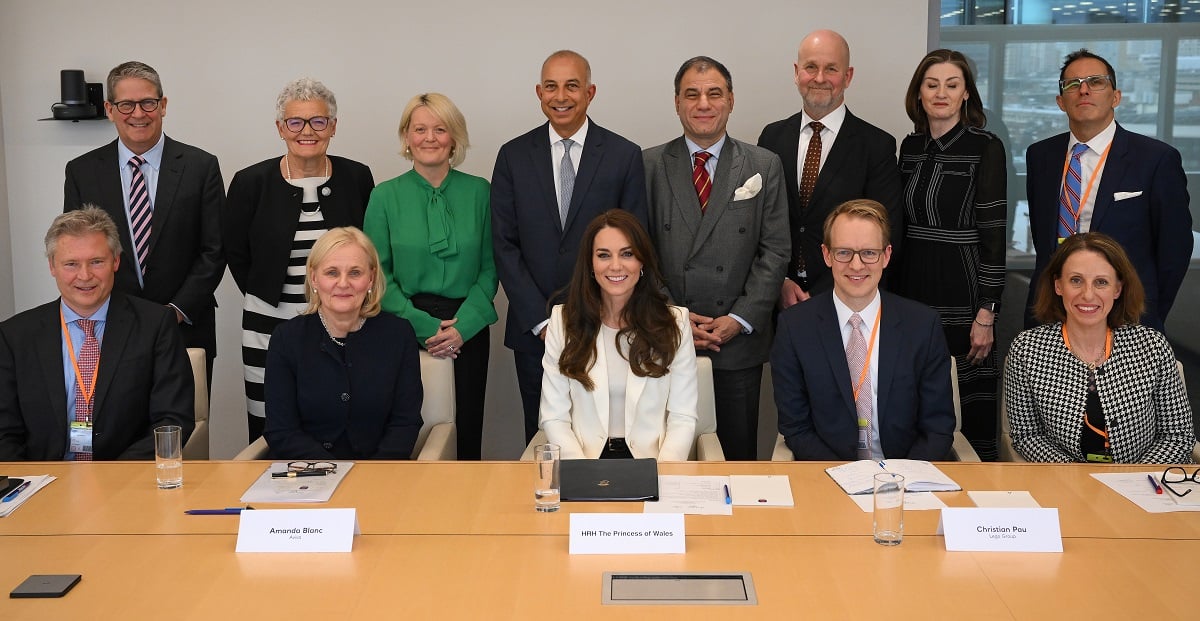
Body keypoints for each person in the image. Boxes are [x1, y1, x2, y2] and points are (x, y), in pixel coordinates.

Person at [492, 50, 648, 445]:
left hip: (605, 326)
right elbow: (504, 245)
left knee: (605, 435)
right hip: (535, 329)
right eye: (551, 86)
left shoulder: (623, 155)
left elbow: (633, 245)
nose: (561, 96)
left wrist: (599, 315)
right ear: (539, 93)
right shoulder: (512, 156)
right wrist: (544, 322)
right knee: (544, 437)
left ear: (590, 92)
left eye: (572, 86)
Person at [644, 56, 790, 460]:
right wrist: (673, 316)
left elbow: (775, 250)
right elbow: (639, 254)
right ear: (676, 102)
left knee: (736, 458)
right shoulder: (649, 164)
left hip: (737, 341)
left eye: (714, 93)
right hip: (666, 337)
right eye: (692, 94)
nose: (703, 103)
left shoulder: (763, 164)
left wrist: (739, 319)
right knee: (664, 456)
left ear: (730, 100)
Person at [224, 78, 375, 443]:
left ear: (333, 126)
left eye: (318, 121)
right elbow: (237, 253)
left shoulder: (357, 176)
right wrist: (274, 297)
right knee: (271, 425)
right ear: (280, 128)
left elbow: (368, 251)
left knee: (337, 416)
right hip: (268, 324)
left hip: (341, 324)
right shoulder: (250, 182)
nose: (307, 131)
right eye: (295, 122)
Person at [63, 61, 224, 381]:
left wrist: (175, 312)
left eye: (148, 102)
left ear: (163, 105)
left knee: (186, 428)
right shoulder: (82, 172)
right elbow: (76, 250)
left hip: (186, 329)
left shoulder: (200, 166)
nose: (138, 113)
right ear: (109, 109)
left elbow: (215, 250)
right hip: (109, 328)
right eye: (126, 104)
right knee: (116, 428)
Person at [0, 207, 194, 461]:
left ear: (115, 261)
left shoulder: (155, 325)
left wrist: (108, 481)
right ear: (52, 267)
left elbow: (173, 420)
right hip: (45, 483)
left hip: (126, 481)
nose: (85, 276)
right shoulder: (15, 336)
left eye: (96, 262)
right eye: (71, 264)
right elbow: (4, 433)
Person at [364, 93, 497, 460]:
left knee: (467, 428)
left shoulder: (481, 192)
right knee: (412, 431)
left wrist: (464, 326)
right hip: (403, 327)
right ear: (406, 137)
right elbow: (376, 275)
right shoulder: (384, 196)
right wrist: (423, 327)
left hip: (466, 326)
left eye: (440, 129)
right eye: (419, 129)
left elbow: (490, 268)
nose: (429, 137)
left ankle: (468, 514)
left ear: (454, 137)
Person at [772, 199, 955, 461]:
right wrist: (845, 477)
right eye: (844, 252)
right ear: (826, 255)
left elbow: (938, 428)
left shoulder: (922, 326)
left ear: (886, 255)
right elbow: (796, 428)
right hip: (828, 477)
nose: (856, 266)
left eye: (869, 253)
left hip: (906, 478)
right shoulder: (795, 328)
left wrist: (898, 480)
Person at [892, 49, 1007, 461]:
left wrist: (987, 312)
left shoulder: (985, 147)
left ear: (965, 95)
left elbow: (994, 238)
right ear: (919, 94)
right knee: (911, 397)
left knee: (967, 409)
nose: (941, 93)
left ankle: (973, 509)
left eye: (952, 85)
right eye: (932, 84)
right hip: (910, 289)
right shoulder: (909, 147)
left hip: (964, 293)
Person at [1025, 49, 1192, 333]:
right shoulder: (1041, 156)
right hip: (1052, 313)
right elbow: (1045, 244)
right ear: (1060, 101)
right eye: (1073, 84)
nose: (1084, 90)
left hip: (1128, 316)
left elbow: (1174, 250)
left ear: (1116, 96)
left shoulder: (1155, 159)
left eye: (1096, 82)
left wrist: (1146, 311)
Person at [1005, 233, 1195, 464]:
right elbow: (1027, 436)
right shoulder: (1027, 349)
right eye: (1076, 280)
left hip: (1141, 486)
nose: (1087, 294)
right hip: (1064, 485)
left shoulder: (1151, 346)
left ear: (1117, 289)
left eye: (1101, 282)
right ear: (1058, 285)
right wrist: (1077, 478)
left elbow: (1177, 435)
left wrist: (1133, 479)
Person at [757, 30, 902, 307]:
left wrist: (825, 294)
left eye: (831, 69)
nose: (820, 78)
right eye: (811, 67)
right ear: (797, 72)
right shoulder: (771, 138)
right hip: (778, 302)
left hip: (846, 300)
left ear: (847, 76)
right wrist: (781, 282)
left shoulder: (876, 146)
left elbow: (885, 233)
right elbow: (759, 224)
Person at [540, 210, 698, 460]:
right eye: (604, 255)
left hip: (652, 463)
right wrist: (583, 476)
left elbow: (682, 417)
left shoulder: (675, 323)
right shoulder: (564, 321)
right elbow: (554, 417)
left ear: (642, 261)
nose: (615, 266)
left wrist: (661, 477)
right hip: (584, 462)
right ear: (590, 264)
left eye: (627, 254)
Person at [264, 227, 423, 460]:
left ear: (371, 277)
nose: (343, 283)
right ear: (314, 277)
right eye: (331, 272)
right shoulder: (286, 339)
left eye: (355, 273)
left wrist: (368, 478)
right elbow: (281, 430)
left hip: (379, 476)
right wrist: (331, 471)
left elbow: (405, 423)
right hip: (306, 475)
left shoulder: (399, 335)